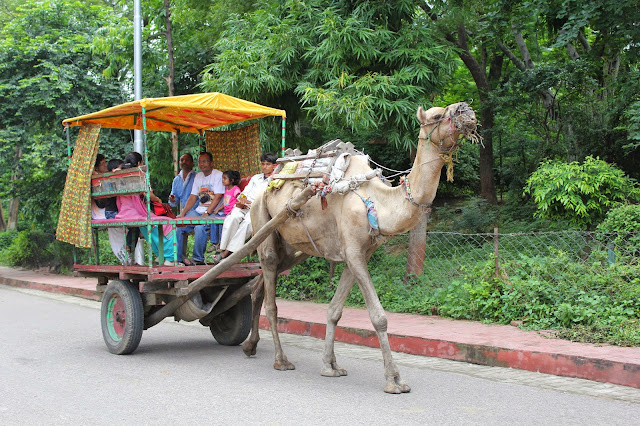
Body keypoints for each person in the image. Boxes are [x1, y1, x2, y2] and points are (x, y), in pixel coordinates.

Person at [212, 153, 277, 263]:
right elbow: (244, 192)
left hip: (258, 209)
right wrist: (242, 199)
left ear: (274, 166)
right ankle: (223, 248)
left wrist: (252, 204)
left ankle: (225, 253)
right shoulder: (256, 178)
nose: (265, 166)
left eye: (268, 164)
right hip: (244, 206)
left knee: (247, 224)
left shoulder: (275, 180)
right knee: (233, 218)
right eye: (263, 164)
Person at [175, 152, 225, 265]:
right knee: (179, 226)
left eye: (205, 161)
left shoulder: (218, 175)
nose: (202, 164)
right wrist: (183, 213)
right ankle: (177, 260)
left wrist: (207, 213)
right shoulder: (198, 176)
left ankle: (198, 259)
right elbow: (193, 197)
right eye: (200, 161)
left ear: (212, 163)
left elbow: (218, 197)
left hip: (214, 213)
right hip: (198, 211)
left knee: (199, 227)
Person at [209, 170, 241, 249]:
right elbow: (225, 202)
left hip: (231, 214)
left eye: (224, 178)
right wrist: (218, 209)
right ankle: (214, 242)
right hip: (225, 213)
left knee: (221, 224)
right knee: (213, 220)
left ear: (232, 180)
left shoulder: (235, 189)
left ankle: (221, 243)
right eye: (222, 178)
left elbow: (239, 198)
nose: (222, 180)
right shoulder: (226, 190)